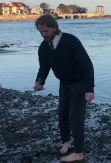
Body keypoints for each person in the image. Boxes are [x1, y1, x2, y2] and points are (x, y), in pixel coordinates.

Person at [33, 14, 95, 162]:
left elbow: (87, 64)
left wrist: (89, 89)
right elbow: (44, 67)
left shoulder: (71, 41)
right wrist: (39, 81)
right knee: (62, 114)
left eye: (46, 31)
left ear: (55, 28)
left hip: (79, 82)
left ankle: (79, 152)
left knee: (75, 117)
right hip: (64, 83)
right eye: (40, 31)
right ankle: (66, 143)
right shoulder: (44, 46)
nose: (43, 34)